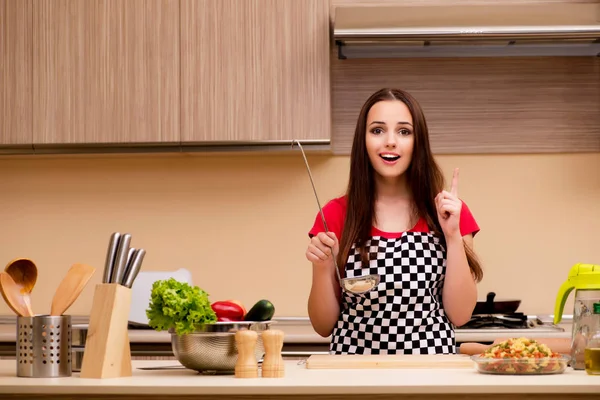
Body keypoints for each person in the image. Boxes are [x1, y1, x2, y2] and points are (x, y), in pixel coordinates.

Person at [305, 88, 483, 355]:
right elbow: (323, 325)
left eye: (404, 131)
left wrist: (453, 236)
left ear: (418, 141)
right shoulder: (334, 214)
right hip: (352, 377)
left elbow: (460, 315)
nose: (390, 142)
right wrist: (322, 268)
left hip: (431, 375)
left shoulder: (448, 212)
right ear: (362, 141)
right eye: (377, 130)